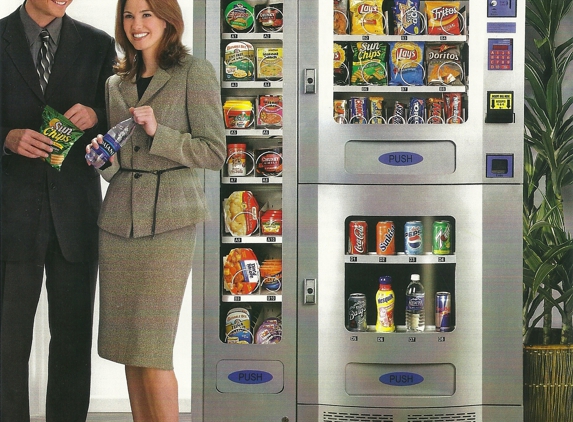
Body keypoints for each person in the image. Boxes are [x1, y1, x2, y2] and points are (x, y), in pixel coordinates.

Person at [86, 0, 225, 420]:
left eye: (147, 14)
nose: (137, 24)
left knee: (152, 347)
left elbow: (214, 152)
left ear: (167, 18)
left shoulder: (194, 72)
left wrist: (158, 132)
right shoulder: (116, 83)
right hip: (119, 222)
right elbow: (118, 165)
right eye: (129, 15)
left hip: (169, 219)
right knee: (130, 347)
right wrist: (101, 155)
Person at [0, 0, 115, 420]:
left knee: (72, 341)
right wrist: (6, 137)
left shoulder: (99, 44)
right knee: (6, 344)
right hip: (10, 215)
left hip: (76, 216)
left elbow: (121, 121)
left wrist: (97, 115)